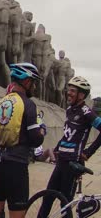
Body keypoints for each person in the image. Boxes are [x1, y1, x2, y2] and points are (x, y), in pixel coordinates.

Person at [0, 63, 45, 218]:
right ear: (26, 82)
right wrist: (42, 130)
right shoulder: (28, 104)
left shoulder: (3, 101)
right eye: (34, 82)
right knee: (17, 213)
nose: (35, 87)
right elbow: (36, 140)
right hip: (16, 165)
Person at [39, 76, 101, 216]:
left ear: (81, 95)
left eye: (73, 91)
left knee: (65, 203)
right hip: (62, 161)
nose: (69, 93)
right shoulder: (69, 110)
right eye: (69, 90)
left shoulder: (87, 112)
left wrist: (89, 152)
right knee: (48, 197)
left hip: (73, 163)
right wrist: (56, 149)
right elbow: (68, 135)